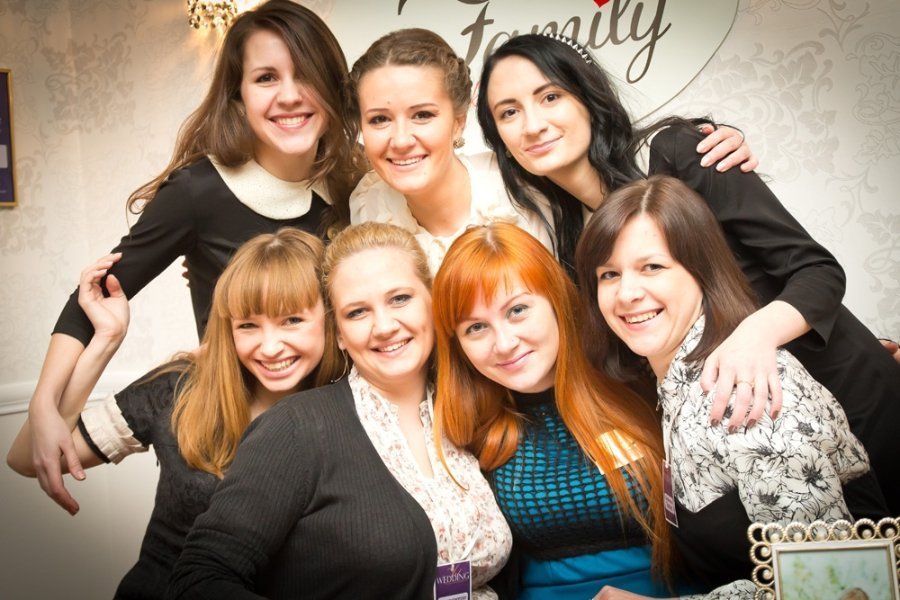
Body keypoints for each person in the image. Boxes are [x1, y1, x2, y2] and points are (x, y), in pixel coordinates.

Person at [476, 33, 900, 512]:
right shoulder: (570, 236)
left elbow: (817, 270)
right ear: (499, 139)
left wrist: (754, 336)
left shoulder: (679, 153)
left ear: (587, 97)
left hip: (845, 396)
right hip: (743, 436)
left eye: (551, 96)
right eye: (508, 112)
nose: (533, 124)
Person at [28, 0, 365, 514]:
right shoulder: (198, 190)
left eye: (306, 75)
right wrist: (44, 403)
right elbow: (95, 297)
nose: (290, 95)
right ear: (238, 96)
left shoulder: (351, 191)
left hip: (332, 440)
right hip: (230, 445)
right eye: (266, 78)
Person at [574, 176, 889, 597]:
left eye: (653, 267)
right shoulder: (675, 384)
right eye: (609, 274)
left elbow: (835, 588)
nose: (627, 293)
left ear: (701, 271)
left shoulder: (748, 394)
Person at [167, 222, 512, 599]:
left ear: (432, 302)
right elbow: (199, 577)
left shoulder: (471, 409)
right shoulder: (296, 428)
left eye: (399, 299)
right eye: (357, 312)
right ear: (338, 334)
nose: (384, 326)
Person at [7, 228, 338, 600]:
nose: (270, 347)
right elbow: (26, 458)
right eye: (248, 325)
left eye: (292, 320)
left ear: (330, 318)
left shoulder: (355, 410)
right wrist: (105, 342)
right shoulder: (179, 388)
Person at [346, 28, 752, 274]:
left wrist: (706, 152)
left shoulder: (528, 189)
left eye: (422, 115)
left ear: (458, 121)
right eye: (379, 119)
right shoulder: (367, 203)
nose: (401, 139)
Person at [432, 222, 676, 600]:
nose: (504, 343)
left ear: (556, 300)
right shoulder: (465, 433)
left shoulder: (640, 374)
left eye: (517, 310)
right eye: (476, 327)